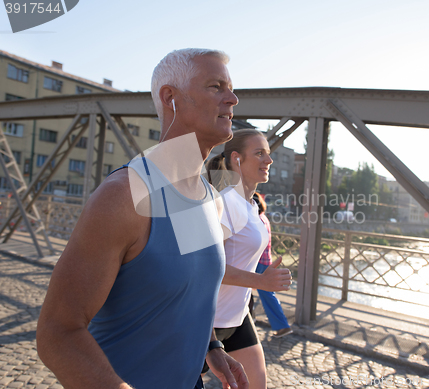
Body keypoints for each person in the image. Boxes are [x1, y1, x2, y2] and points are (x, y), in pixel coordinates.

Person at [36, 49, 249, 389]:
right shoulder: (125, 197)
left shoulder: (207, 198)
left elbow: (187, 289)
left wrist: (211, 346)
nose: (233, 98)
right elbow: (57, 332)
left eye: (231, 88)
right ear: (171, 98)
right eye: (215, 86)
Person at [205, 129, 292, 389]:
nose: (269, 160)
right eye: (259, 153)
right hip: (204, 321)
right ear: (237, 159)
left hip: (238, 316)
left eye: (268, 154)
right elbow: (207, 266)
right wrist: (261, 281)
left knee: (256, 385)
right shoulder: (226, 202)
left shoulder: (251, 204)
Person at [253, 192, 293, 338]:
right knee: (266, 294)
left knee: (264, 294)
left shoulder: (255, 219)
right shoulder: (264, 218)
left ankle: (282, 326)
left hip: (258, 262)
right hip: (266, 260)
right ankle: (279, 325)